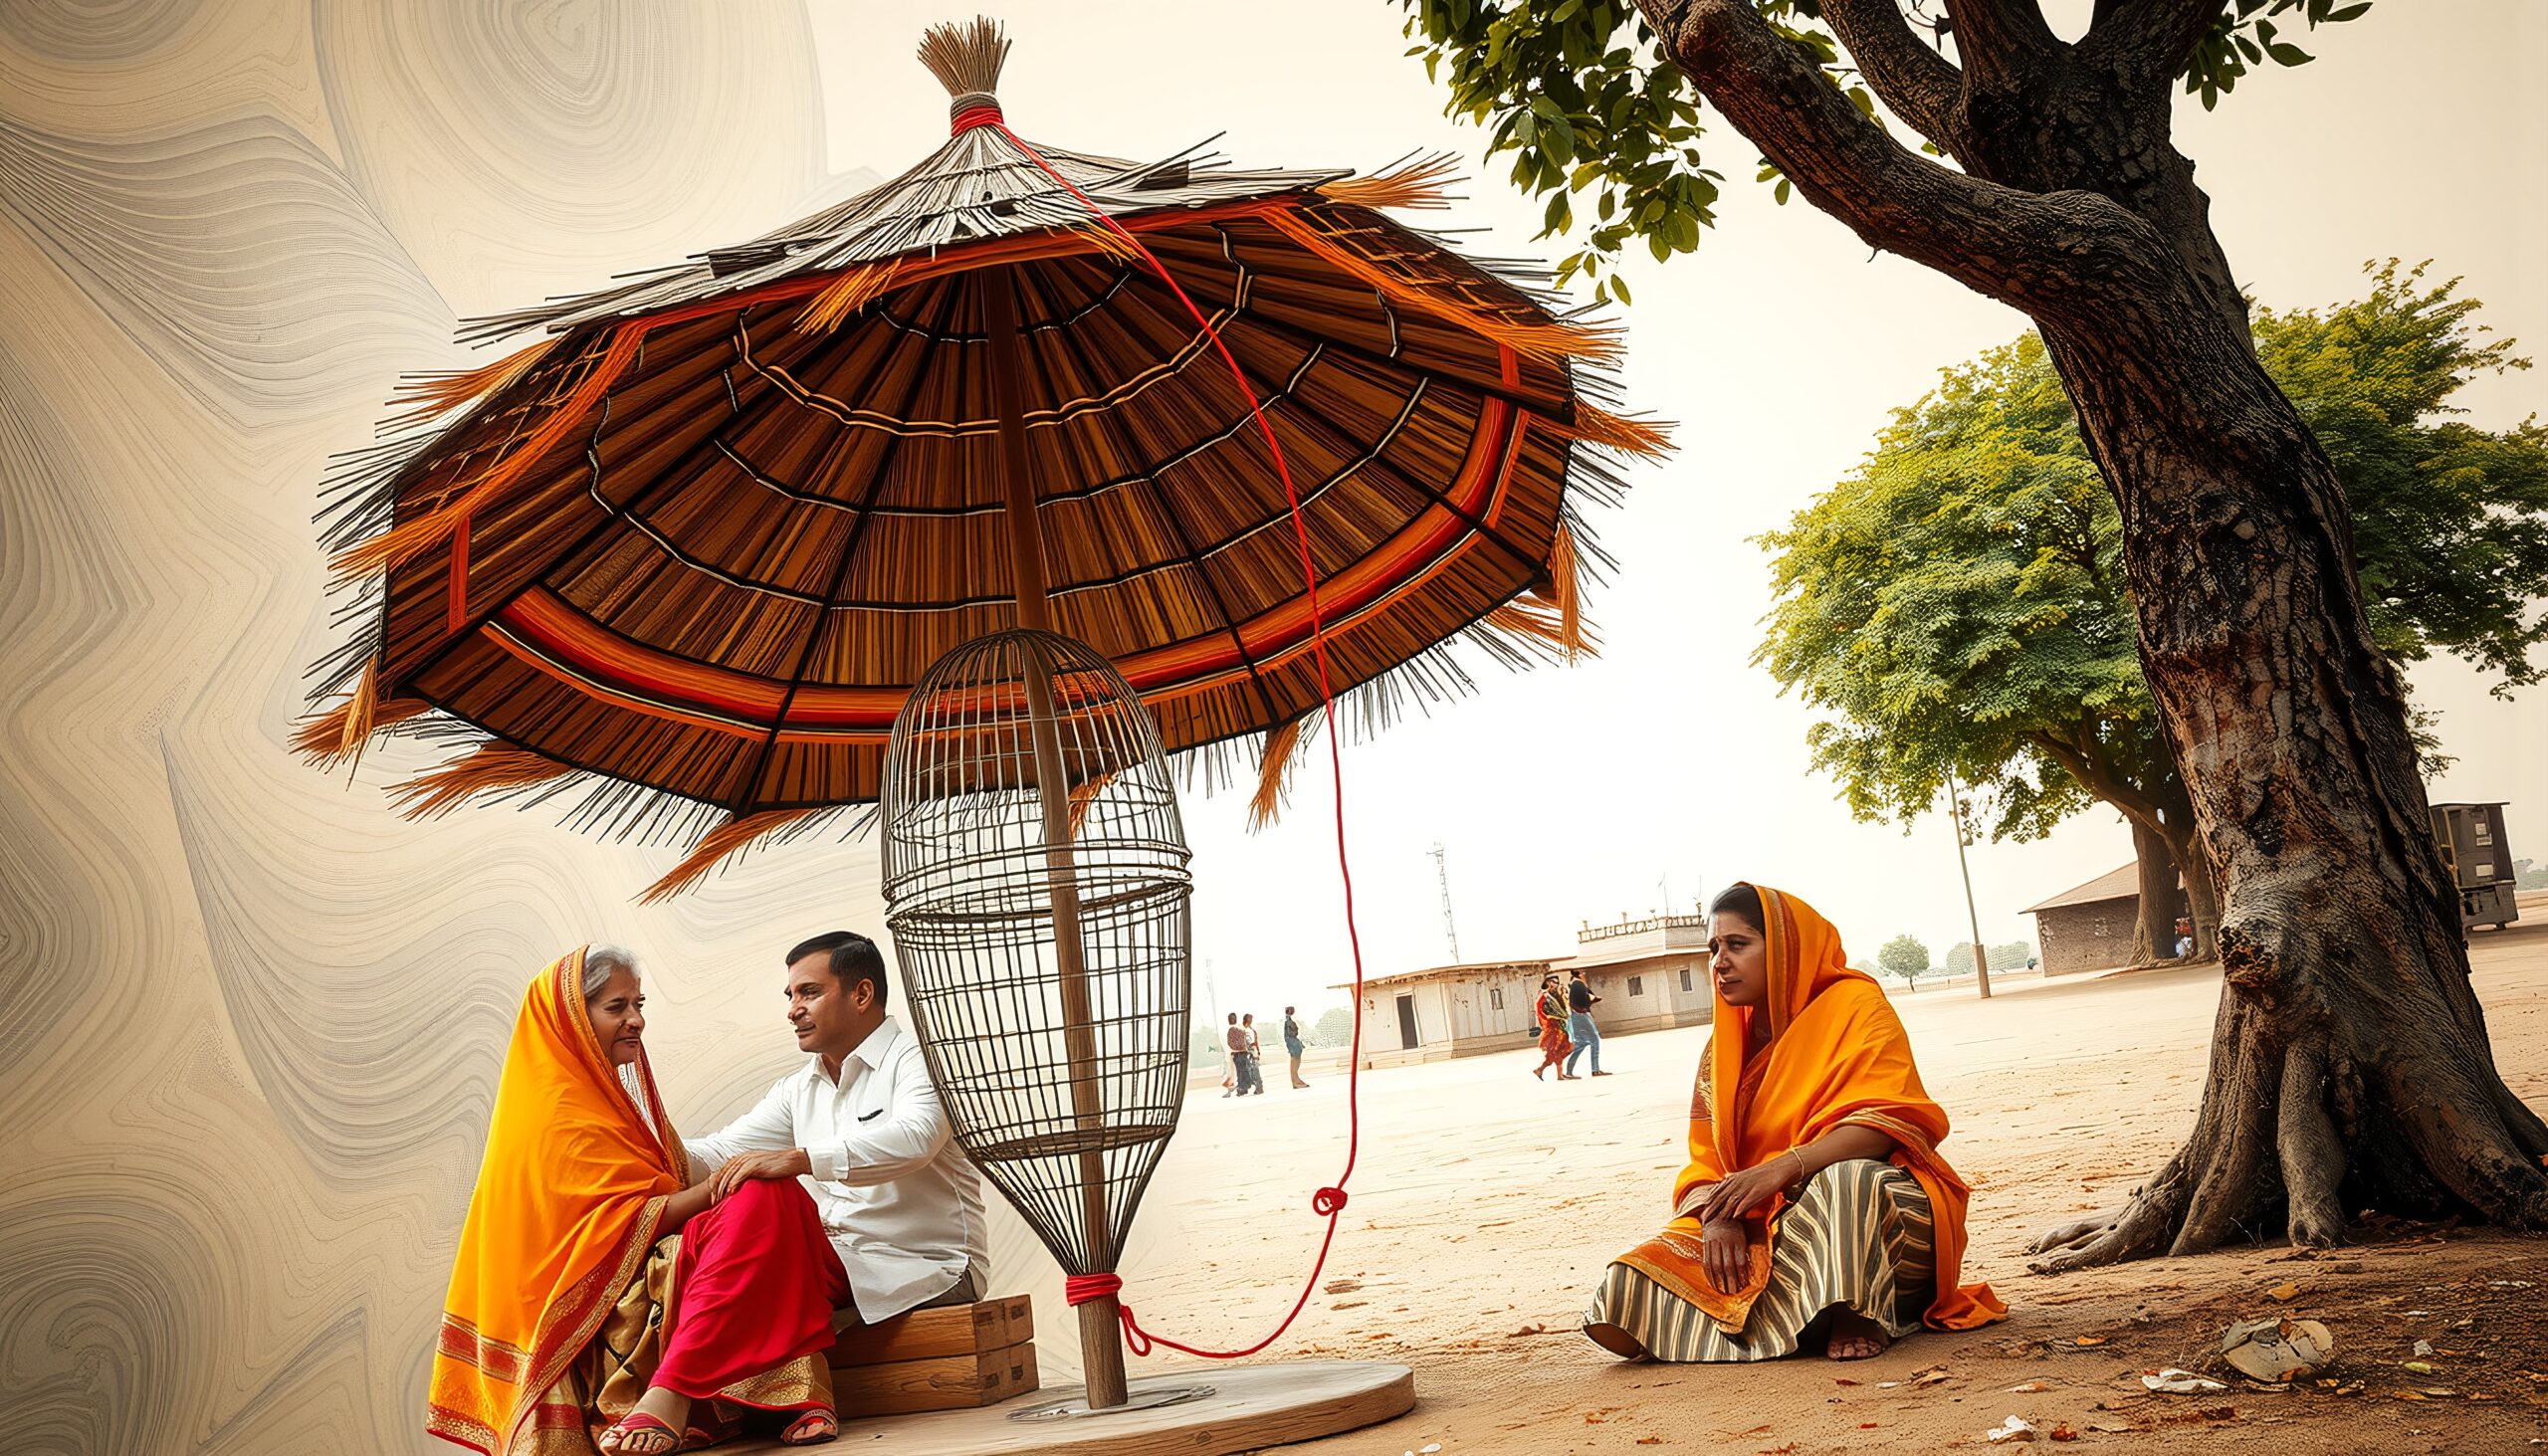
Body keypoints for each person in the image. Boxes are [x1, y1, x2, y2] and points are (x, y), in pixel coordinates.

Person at [426, 944, 840, 1456]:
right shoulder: (557, 1109)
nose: (636, 1021)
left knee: (773, 1199)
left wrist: (742, 1175)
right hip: (587, 1306)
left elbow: (669, 1175)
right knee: (763, 1198)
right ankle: (739, 1393)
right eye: (617, 1007)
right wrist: (722, 1185)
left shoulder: (603, 1097)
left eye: (638, 1005)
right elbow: (620, 1224)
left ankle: (710, 1393)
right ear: (574, 1017)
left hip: (639, 1268)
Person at [1583, 884, 2006, 1364]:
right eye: (1713, 949)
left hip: (1881, 1224)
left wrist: (1784, 1168)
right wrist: (1719, 1214)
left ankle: (1854, 1308)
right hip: (1772, 1224)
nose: (1720, 962)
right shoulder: (1723, 1051)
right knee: (1626, 1286)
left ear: (1785, 947)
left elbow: (1889, 1121)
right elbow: (1706, 1161)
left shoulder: (1856, 1006)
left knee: (1846, 1181)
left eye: (1738, 945)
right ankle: (1804, 1314)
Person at [609, 931, 990, 1452]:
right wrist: (620, 1125)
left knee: (769, 1188)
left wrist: (800, 1160)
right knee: (733, 1202)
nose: (793, 1009)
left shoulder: (922, 1058)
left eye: (808, 992)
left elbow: (917, 1137)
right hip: (833, 1260)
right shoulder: (800, 1087)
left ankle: (675, 1393)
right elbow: (713, 1156)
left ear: (860, 994)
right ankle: (790, 1397)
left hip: (922, 1264)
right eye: (790, 996)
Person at [1564, 968, 1609, 1079]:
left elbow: (1585, 999)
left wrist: (1592, 1000)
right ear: (1580, 974)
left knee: (1581, 1043)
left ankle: (1568, 1071)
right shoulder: (1578, 984)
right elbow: (1574, 1003)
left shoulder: (1576, 984)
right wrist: (1582, 1010)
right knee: (1595, 1040)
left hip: (1576, 1016)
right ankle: (1595, 1070)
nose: (1585, 974)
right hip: (1581, 1015)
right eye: (1583, 973)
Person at [1532, 972, 1577, 1081]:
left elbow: (1564, 1007)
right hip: (1554, 1027)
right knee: (1557, 1050)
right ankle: (1559, 1074)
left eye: (1557, 982)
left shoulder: (1556, 994)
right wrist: (1553, 1018)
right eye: (1553, 982)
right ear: (1548, 982)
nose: (1555, 984)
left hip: (1562, 1025)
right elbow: (1542, 1011)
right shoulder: (1545, 996)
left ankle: (1541, 1069)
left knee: (1568, 1048)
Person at [1282, 1006, 1311, 1089]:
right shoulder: (1287, 1020)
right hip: (1292, 1040)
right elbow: (1291, 1031)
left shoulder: (1290, 1019)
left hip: (1293, 1040)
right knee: (1294, 1058)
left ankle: (1296, 1079)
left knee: (1296, 1058)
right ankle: (1295, 1080)